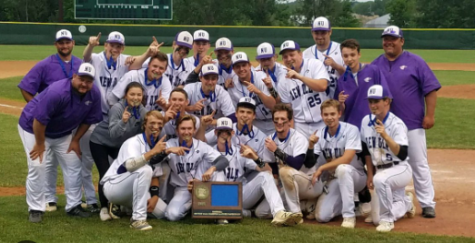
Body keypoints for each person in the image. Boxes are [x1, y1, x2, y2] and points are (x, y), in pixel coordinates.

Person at [17, 63, 102, 223]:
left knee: (73, 164)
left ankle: (74, 205)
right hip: (33, 128)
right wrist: (40, 144)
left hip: (62, 133)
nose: (84, 84)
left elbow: (89, 120)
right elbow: (39, 120)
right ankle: (35, 208)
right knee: (38, 164)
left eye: (88, 81)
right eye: (81, 79)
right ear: (74, 77)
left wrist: (75, 140)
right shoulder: (58, 92)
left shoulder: (94, 94)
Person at [372, 25, 440, 218]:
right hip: (387, 128)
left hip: (413, 124)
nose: (388, 42)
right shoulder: (376, 65)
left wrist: (430, 115)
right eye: (385, 38)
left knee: (419, 164)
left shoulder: (416, 62)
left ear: (402, 41)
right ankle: (399, 201)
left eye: (393, 38)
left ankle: (427, 203)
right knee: (390, 165)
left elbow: (431, 90)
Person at [17, 29, 83, 212]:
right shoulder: (45, 65)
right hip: (41, 124)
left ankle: (73, 204)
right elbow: (26, 87)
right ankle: (46, 200)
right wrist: (37, 106)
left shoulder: (80, 64)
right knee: (43, 163)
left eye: (67, 42)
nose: (64, 45)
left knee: (70, 162)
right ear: (56, 45)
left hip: (64, 126)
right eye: (61, 42)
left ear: (73, 43)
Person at [212, 117, 302, 226]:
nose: (224, 134)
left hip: (241, 195)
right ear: (215, 132)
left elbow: (268, 170)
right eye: (220, 131)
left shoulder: (240, 153)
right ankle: (226, 214)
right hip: (219, 197)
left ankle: (279, 213)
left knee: (265, 176)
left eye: (227, 131)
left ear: (232, 132)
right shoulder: (208, 153)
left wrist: (255, 158)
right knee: (218, 173)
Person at [152, 115, 230, 221]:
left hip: (202, 184)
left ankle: (220, 212)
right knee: (172, 215)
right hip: (183, 188)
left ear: (194, 130)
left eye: (189, 128)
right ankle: (194, 206)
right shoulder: (170, 145)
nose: (186, 132)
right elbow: (152, 161)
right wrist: (167, 151)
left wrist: (212, 169)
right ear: (177, 130)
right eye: (183, 128)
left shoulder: (201, 146)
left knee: (218, 171)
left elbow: (224, 161)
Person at [100, 111, 169, 230]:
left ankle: (127, 208)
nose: (156, 126)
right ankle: (138, 219)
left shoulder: (155, 144)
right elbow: (130, 166)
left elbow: (155, 175)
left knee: (163, 213)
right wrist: (153, 152)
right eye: (152, 123)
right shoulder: (133, 142)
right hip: (114, 186)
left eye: (159, 123)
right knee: (145, 169)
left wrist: (154, 197)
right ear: (144, 125)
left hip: (133, 189)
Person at [360, 84, 416, 232]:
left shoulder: (397, 124)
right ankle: (407, 202)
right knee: (375, 218)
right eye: (370, 101)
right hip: (380, 170)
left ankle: (387, 221)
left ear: (387, 101)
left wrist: (385, 135)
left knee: (381, 181)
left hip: (399, 168)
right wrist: (370, 174)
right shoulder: (366, 121)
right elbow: (366, 150)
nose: (373, 105)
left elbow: (403, 154)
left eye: (376, 101)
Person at [89, 82, 147, 221]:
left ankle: (120, 204)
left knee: (128, 170)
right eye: (132, 94)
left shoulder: (142, 111)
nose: (135, 97)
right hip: (100, 142)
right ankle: (104, 207)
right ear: (125, 95)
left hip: (119, 146)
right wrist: (123, 121)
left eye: (139, 94)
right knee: (106, 173)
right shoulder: (117, 108)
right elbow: (113, 134)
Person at [304, 99, 366, 228]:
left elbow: (347, 159)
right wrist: (310, 146)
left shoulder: (351, 129)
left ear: (339, 114)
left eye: (332, 114)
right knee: (322, 217)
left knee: (343, 168)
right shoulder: (320, 134)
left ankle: (349, 216)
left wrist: (322, 168)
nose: (329, 118)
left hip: (357, 177)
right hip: (336, 180)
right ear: (321, 116)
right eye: (326, 115)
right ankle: (351, 206)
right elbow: (310, 163)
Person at [262, 104, 323, 224]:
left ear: (290, 122)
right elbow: (272, 164)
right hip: (289, 184)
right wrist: (275, 181)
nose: (279, 122)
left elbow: (297, 164)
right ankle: (305, 205)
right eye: (276, 119)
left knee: (284, 171)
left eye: (283, 120)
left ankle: (296, 214)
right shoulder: (270, 139)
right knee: (262, 212)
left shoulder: (298, 138)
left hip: (310, 183)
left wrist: (276, 150)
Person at [277, 40, 330, 138]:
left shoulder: (315, 65)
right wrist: (291, 134)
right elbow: (289, 111)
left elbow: (322, 86)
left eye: (292, 55)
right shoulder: (282, 81)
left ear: (300, 54)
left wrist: (299, 77)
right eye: (285, 56)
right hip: (300, 126)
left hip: (322, 122)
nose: (289, 59)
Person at [335, 38, 391, 128]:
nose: (349, 59)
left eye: (353, 55)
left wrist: (385, 121)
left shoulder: (373, 70)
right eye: (345, 56)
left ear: (359, 55)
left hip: (374, 124)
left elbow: (386, 97)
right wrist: (341, 103)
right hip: (352, 127)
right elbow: (340, 111)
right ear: (342, 57)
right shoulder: (342, 81)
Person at [226, 52, 276, 135]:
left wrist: (258, 92)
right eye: (237, 66)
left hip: (273, 121)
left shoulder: (262, 77)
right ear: (233, 69)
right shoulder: (232, 87)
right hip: (255, 124)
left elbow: (273, 105)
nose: (241, 69)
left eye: (244, 65)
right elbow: (237, 114)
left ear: (249, 65)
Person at [201, 97, 267, 158]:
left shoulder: (262, 138)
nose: (245, 115)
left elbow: (265, 166)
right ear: (236, 114)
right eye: (242, 111)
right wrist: (203, 126)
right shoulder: (225, 128)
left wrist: (255, 156)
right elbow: (201, 141)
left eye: (249, 112)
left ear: (254, 116)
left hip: (251, 170)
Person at [108, 52, 172, 111]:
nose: (157, 70)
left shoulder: (165, 82)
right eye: (154, 66)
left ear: (165, 69)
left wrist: (164, 105)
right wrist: (117, 115)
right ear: (149, 65)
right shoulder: (132, 76)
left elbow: (166, 107)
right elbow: (112, 98)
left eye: (161, 68)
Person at [184, 63, 236, 131]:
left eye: (213, 78)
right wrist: (191, 108)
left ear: (217, 79)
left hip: (214, 131)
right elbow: (176, 109)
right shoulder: (190, 89)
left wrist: (213, 122)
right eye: (207, 78)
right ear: (200, 78)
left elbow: (233, 118)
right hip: (193, 129)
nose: (210, 82)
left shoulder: (222, 93)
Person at [303, 16, 345, 99]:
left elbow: (351, 76)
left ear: (330, 32)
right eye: (316, 33)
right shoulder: (306, 54)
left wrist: (336, 66)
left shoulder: (341, 50)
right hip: (315, 102)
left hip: (337, 101)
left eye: (323, 32)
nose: (319, 36)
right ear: (312, 33)